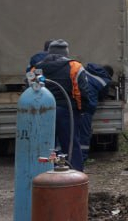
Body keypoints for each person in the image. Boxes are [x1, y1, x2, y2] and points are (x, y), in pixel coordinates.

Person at [27, 39, 103, 171]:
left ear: (49, 52)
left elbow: (32, 90)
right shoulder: (75, 67)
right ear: (66, 53)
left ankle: (43, 172)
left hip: (43, 111)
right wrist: (81, 110)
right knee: (71, 144)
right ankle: (75, 172)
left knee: (45, 143)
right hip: (67, 111)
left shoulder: (37, 68)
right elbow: (81, 92)